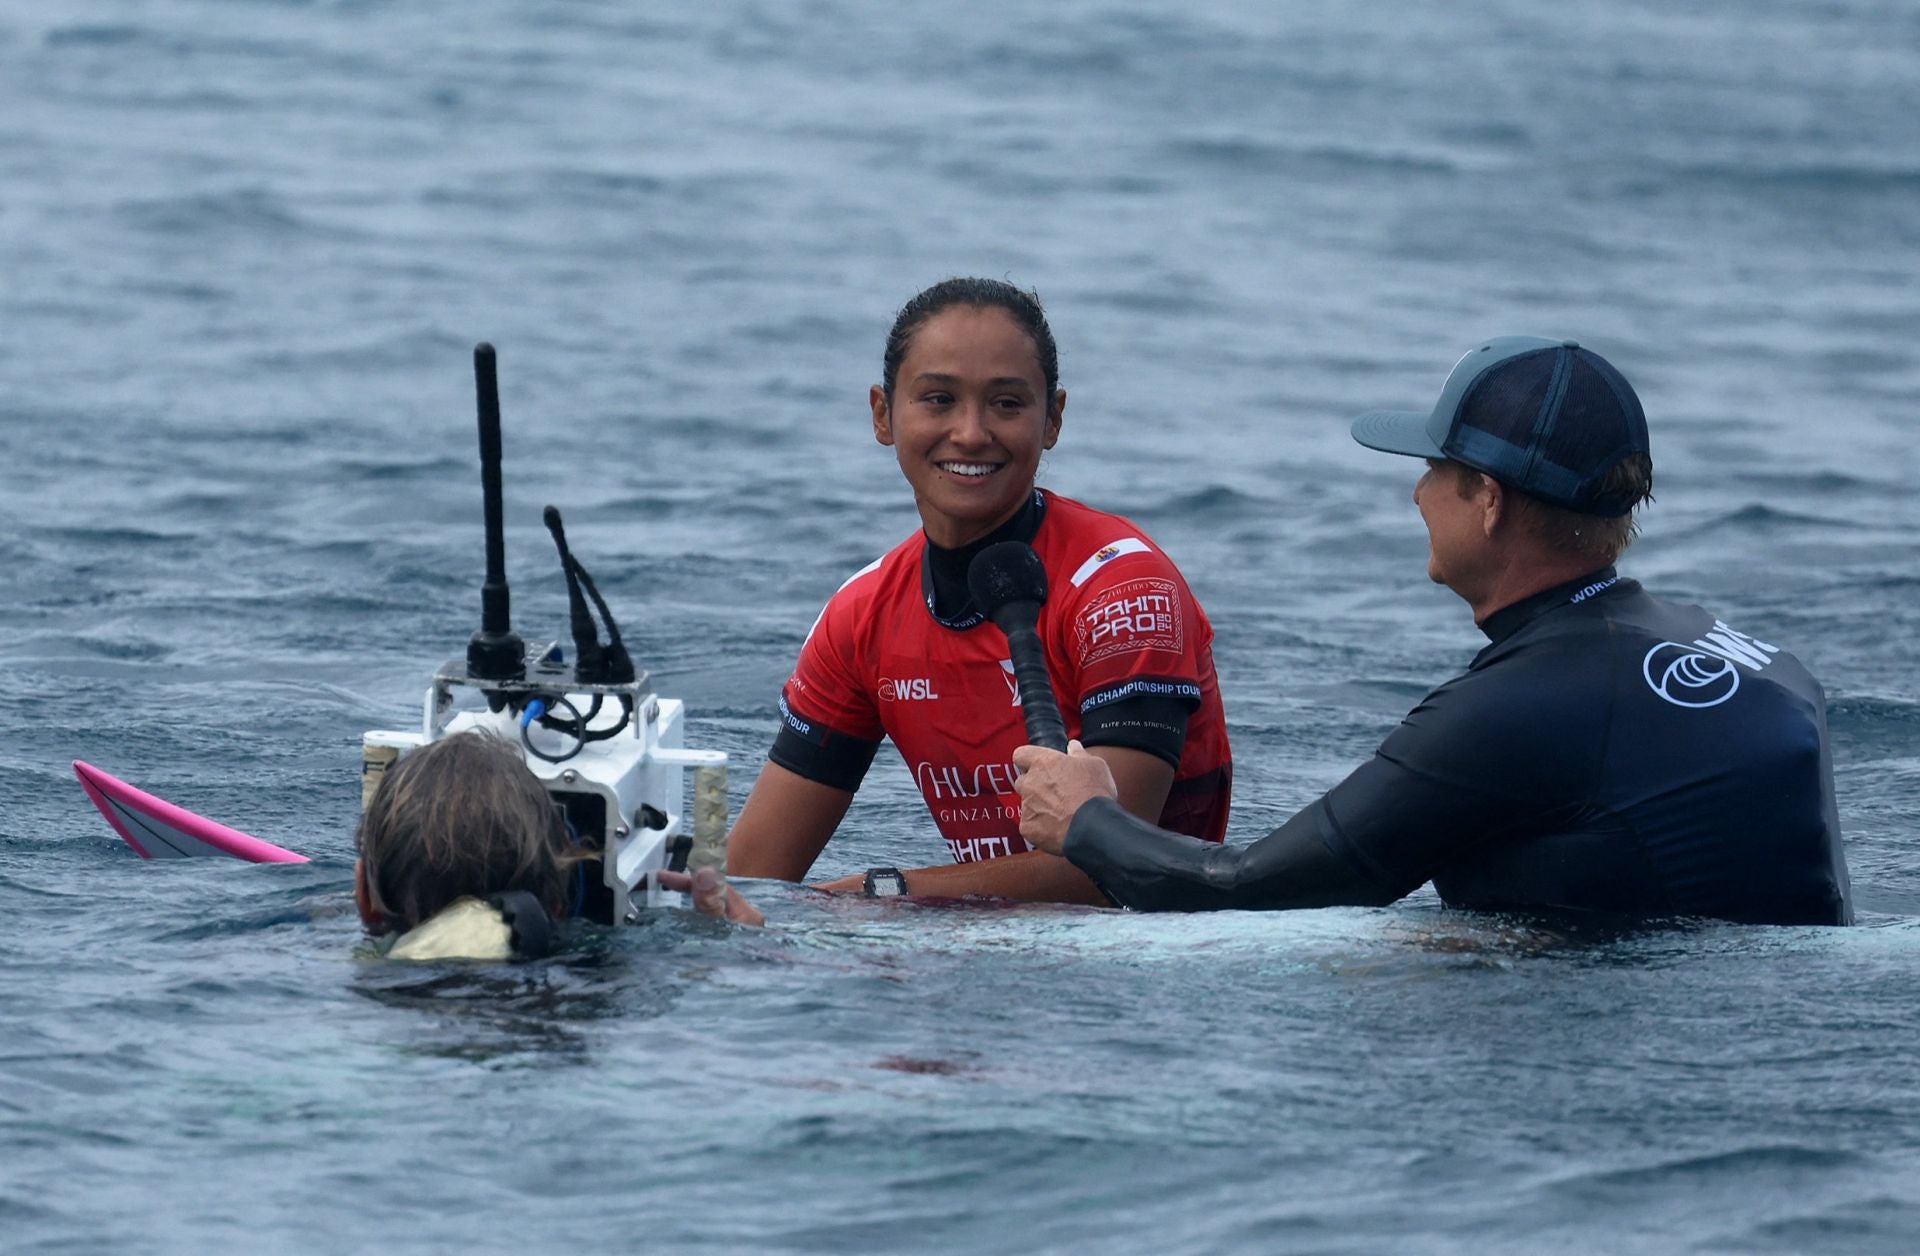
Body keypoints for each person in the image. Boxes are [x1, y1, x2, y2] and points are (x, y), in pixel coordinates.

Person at [1013, 337, 1853, 926]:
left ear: (1486, 501)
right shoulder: (1747, 653)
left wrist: (1088, 820)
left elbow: (1247, 888)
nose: (1417, 495)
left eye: (1432, 470)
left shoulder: (1522, 706)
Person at [726, 278, 1233, 905]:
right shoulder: (861, 615)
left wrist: (887, 893)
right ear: (883, 414)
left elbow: (1114, 869)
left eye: (1007, 405)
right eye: (938, 399)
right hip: (980, 958)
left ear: (1053, 420)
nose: (970, 433)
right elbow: (750, 879)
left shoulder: (1124, 589)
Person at [356, 732, 760, 961]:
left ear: (364, 897)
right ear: (558, 902)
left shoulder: (334, 983)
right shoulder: (606, 1002)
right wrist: (727, 944)